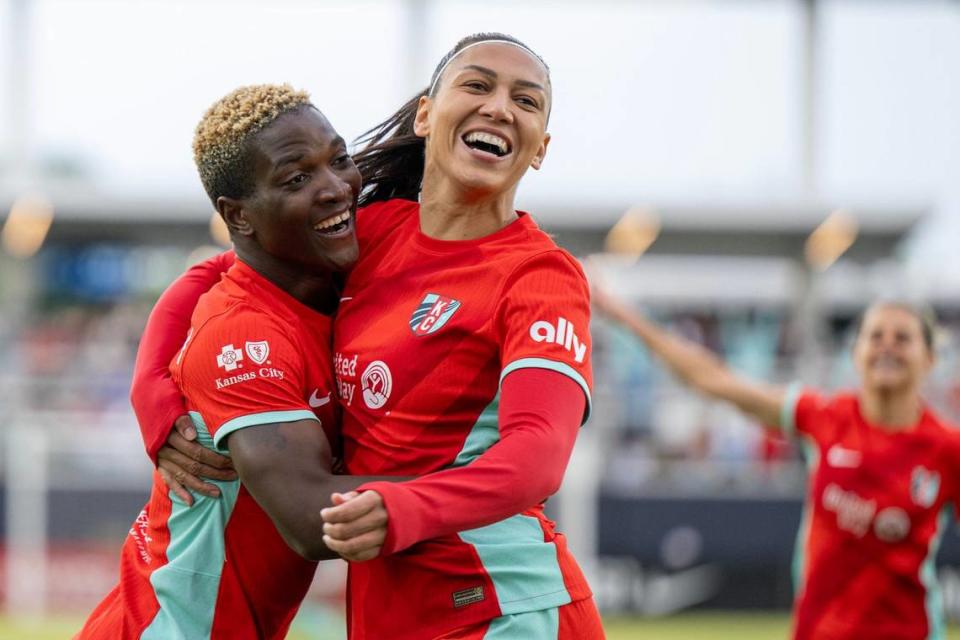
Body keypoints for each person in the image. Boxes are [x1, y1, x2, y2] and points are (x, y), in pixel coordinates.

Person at [130, 33, 605, 639]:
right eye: (478, 85)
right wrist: (149, 388)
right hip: (390, 609)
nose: (500, 108)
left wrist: (407, 507)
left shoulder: (538, 274)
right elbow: (219, 269)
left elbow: (538, 453)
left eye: (527, 101)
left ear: (539, 149)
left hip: (500, 603)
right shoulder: (373, 232)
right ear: (427, 116)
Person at [78, 85, 399, 639]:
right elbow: (310, 520)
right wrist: (494, 485)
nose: (335, 189)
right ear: (238, 215)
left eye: (340, 160)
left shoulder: (323, 275)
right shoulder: (244, 333)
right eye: (297, 178)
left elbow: (216, 269)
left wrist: (148, 378)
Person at [593, 284, 960, 640]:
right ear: (856, 352)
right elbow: (714, 380)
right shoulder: (825, 417)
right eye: (876, 336)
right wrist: (622, 314)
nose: (887, 347)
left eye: (902, 338)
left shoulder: (947, 448)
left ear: (929, 358)